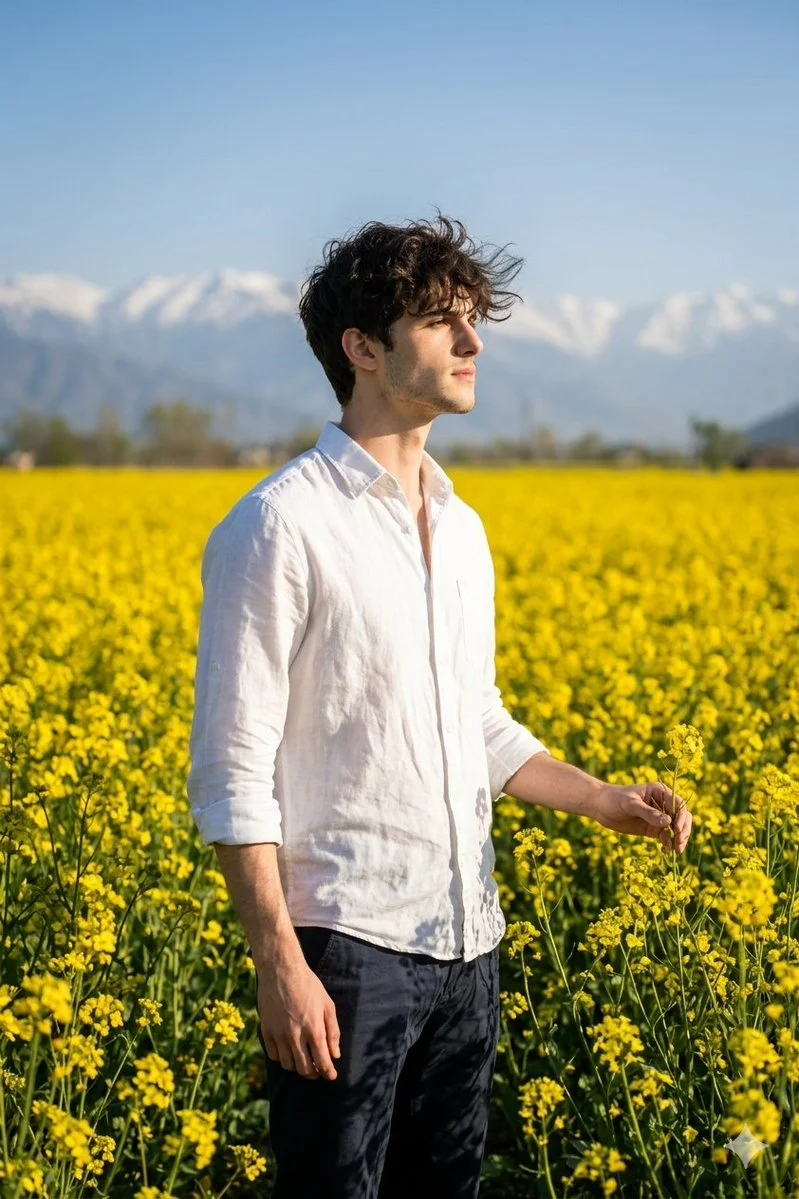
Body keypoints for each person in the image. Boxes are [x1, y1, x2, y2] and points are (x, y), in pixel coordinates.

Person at [186, 212, 693, 1198]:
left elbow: (478, 720)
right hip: (345, 950)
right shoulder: (278, 525)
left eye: (473, 320)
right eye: (441, 321)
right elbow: (230, 769)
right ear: (364, 349)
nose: (473, 343)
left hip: (467, 941)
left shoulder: (461, 529)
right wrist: (276, 961)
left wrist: (604, 800)